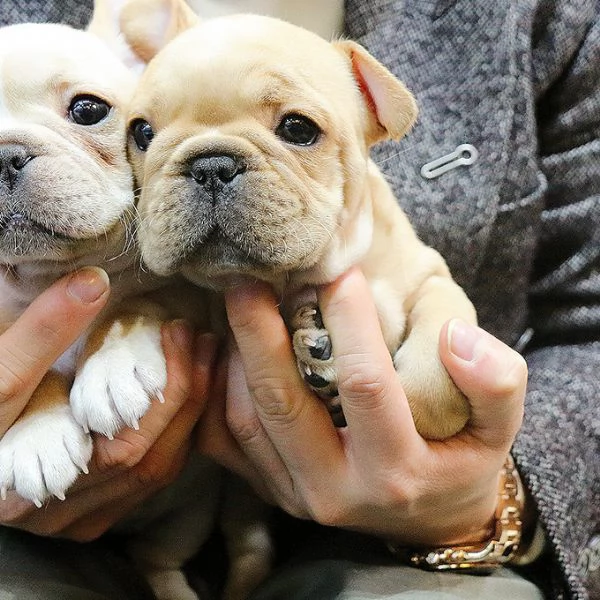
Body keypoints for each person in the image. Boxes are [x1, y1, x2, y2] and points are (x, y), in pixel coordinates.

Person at [0, 2, 597, 600]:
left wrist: (492, 496)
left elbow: (586, 318)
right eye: (147, 136)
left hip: (404, 549)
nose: (210, 171)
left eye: (295, 129)